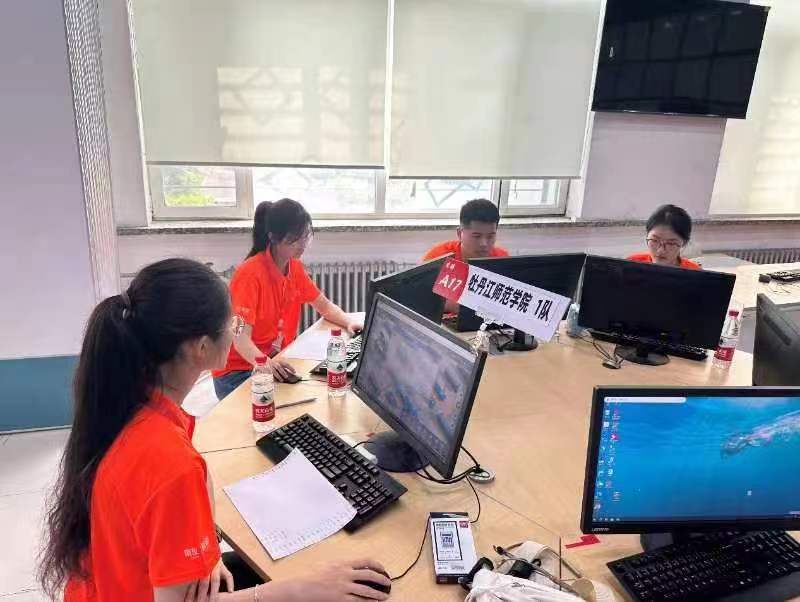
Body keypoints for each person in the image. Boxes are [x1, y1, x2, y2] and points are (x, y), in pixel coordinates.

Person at [38, 258, 391, 602]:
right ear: (201, 347)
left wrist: (205, 551)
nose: (236, 330)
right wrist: (301, 590)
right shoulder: (170, 462)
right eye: (230, 323)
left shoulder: (126, 406)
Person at [213, 199, 362, 399]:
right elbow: (239, 337)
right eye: (294, 239)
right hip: (238, 371)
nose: (302, 245)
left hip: (275, 360)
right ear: (273, 237)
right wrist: (266, 363)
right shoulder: (249, 275)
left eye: (305, 236)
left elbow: (324, 305)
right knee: (291, 403)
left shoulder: (294, 268)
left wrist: (349, 322)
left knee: (314, 393)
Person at [422, 198, 509, 263]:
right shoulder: (436, 259)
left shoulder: (502, 259)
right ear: (460, 233)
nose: (484, 244)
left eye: (490, 236)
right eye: (476, 236)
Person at [628, 204, 700, 270]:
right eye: (654, 240)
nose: (660, 251)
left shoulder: (694, 272)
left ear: (684, 243)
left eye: (671, 243)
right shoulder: (632, 264)